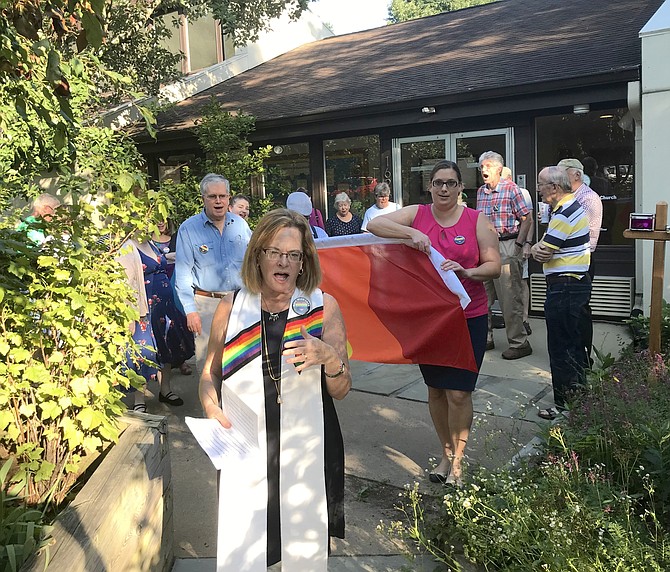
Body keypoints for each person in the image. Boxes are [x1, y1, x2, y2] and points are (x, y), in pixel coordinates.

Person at [199, 208, 351, 569]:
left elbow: (343, 388)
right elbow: (209, 375)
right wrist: (210, 407)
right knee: (247, 542)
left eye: (293, 255)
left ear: (303, 262)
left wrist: (330, 358)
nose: (284, 261)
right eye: (275, 252)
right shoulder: (230, 307)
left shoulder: (323, 307)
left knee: (304, 545)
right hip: (248, 444)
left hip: (308, 445)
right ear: (259, 256)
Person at [367, 160, 500, 486]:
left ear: (459, 188)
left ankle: (458, 461)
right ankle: (444, 454)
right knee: (437, 390)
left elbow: (495, 266)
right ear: (430, 186)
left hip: (469, 316)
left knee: (459, 393)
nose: (443, 188)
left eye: (450, 183)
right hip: (429, 319)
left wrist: (468, 272)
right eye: (438, 183)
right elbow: (375, 226)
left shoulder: (476, 220)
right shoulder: (418, 214)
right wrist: (411, 232)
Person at [174, 173, 252, 374]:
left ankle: (234, 406)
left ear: (228, 198)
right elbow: (183, 275)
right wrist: (191, 311)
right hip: (207, 305)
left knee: (242, 359)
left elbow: (254, 261)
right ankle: (210, 405)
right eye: (212, 197)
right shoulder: (188, 229)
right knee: (208, 363)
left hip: (239, 301)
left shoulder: (241, 226)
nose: (218, 201)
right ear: (203, 199)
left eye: (222, 196)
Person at [531, 166, 591, 420]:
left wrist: (535, 249)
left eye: (541, 184)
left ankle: (564, 405)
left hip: (565, 286)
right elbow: (545, 248)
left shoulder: (565, 212)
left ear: (554, 187)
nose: (538, 188)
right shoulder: (567, 207)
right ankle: (579, 400)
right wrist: (539, 248)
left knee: (561, 347)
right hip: (572, 283)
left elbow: (545, 249)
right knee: (574, 344)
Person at [476, 151, 532, 360]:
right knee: (483, 296)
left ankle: (519, 343)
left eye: (488, 166)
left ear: (499, 169)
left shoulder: (511, 190)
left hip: (507, 244)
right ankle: (486, 338)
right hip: (484, 248)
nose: (484, 170)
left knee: (509, 297)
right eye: (482, 166)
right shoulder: (481, 192)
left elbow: (527, 218)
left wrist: (519, 245)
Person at [137, 235, 196, 406]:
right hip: (146, 308)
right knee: (143, 351)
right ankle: (139, 399)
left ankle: (165, 390)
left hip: (165, 306)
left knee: (167, 347)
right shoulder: (129, 246)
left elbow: (164, 261)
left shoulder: (150, 243)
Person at [557, 158, 603, 363]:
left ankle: (584, 357)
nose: (557, 179)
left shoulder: (588, 198)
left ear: (576, 175)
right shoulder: (564, 197)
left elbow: (573, 231)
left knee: (580, 308)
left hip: (582, 259)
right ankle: (571, 353)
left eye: (561, 174)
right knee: (565, 309)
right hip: (565, 260)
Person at [116, 240, 158, 413]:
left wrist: (131, 313)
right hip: (115, 310)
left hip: (133, 311)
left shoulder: (127, 243)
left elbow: (129, 280)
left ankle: (139, 399)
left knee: (139, 353)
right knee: (121, 356)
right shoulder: (112, 241)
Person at [501, 166, 534, 336]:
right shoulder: (488, 194)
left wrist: (526, 243)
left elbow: (529, 220)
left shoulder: (521, 192)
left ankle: (524, 319)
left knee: (522, 281)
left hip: (516, 244)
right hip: (500, 246)